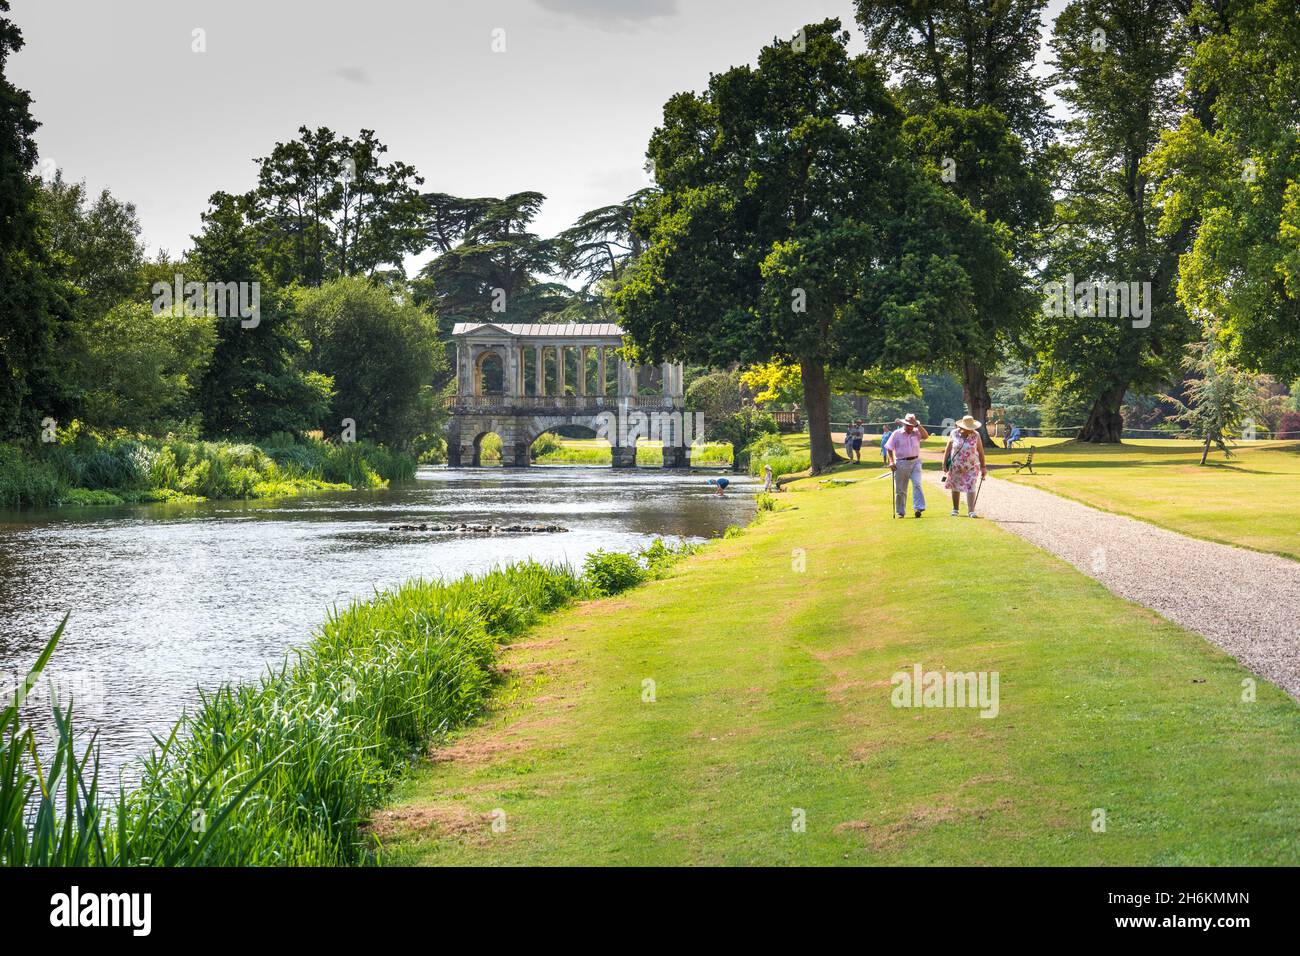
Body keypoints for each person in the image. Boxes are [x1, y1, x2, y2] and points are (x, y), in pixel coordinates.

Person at [942, 414, 987, 518]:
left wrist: (983, 467)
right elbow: (948, 449)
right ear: (961, 427)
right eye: (968, 428)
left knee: (971, 486)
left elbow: (980, 451)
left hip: (971, 466)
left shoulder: (976, 435)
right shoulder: (954, 433)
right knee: (955, 486)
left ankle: (971, 511)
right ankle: (955, 509)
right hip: (956, 465)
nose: (970, 430)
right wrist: (944, 463)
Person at [885, 413, 929, 518]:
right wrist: (891, 461)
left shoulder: (917, 432)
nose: (910, 427)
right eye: (909, 425)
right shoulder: (896, 433)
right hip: (901, 462)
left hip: (915, 462)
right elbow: (889, 448)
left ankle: (918, 508)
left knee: (917, 484)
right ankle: (901, 511)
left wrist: (917, 425)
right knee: (900, 489)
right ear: (904, 424)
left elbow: (926, 436)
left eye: (912, 425)